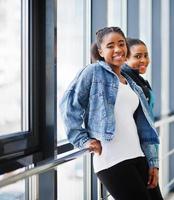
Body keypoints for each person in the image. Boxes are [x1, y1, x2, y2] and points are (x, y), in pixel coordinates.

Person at [60, 27, 163, 200]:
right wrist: (82, 139)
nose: (117, 49)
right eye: (110, 45)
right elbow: (68, 105)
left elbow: (144, 127)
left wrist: (153, 162)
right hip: (113, 159)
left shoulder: (130, 82)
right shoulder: (93, 72)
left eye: (121, 44)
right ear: (100, 51)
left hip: (139, 156)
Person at [122, 38, 155, 117]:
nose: (144, 60)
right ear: (124, 58)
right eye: (138, 56)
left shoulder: (139, 80)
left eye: (146, 56)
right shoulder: (125, 82)